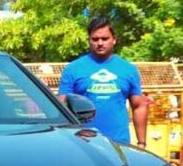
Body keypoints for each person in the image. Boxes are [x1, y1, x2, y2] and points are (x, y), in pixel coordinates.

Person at [58, 17, 149, 147]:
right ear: (89, 40)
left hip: (119, 143)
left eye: (105, 38)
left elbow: (139, 106)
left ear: (114, 40)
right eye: (95, 39)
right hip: (84, 143)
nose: (100, 43)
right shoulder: (73, 69)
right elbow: (62, 107)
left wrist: (142, 143)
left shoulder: (128, 69)